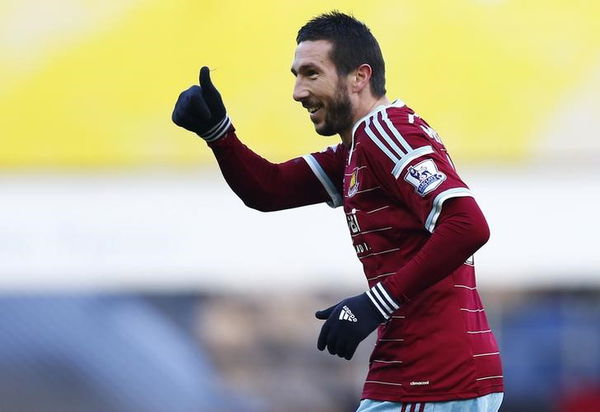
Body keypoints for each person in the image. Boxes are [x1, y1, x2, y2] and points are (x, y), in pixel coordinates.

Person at [172, 11, 504, 412]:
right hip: (420, 373)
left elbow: (468, 225)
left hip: (431, 377)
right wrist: (219, 133)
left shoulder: (386, 133)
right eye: (296, 75)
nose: (297, 91)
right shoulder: (357, 148)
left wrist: (373, 304)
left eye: (311, 73)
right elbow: (269, 189)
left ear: (359, 77)